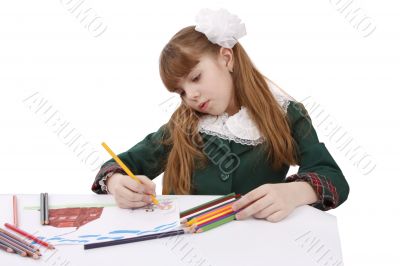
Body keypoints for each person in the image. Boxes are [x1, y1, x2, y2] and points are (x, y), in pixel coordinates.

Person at [91, 8, 349, 223]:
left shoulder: (285, 113)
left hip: (257, 249)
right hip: (184, 244)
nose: (190, 95)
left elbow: (333, 178)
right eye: (180, 91)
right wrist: (116, 184)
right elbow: (118, 165)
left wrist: (294, 193)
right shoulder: (183, 124)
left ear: (226, 58)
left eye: (195, 77)